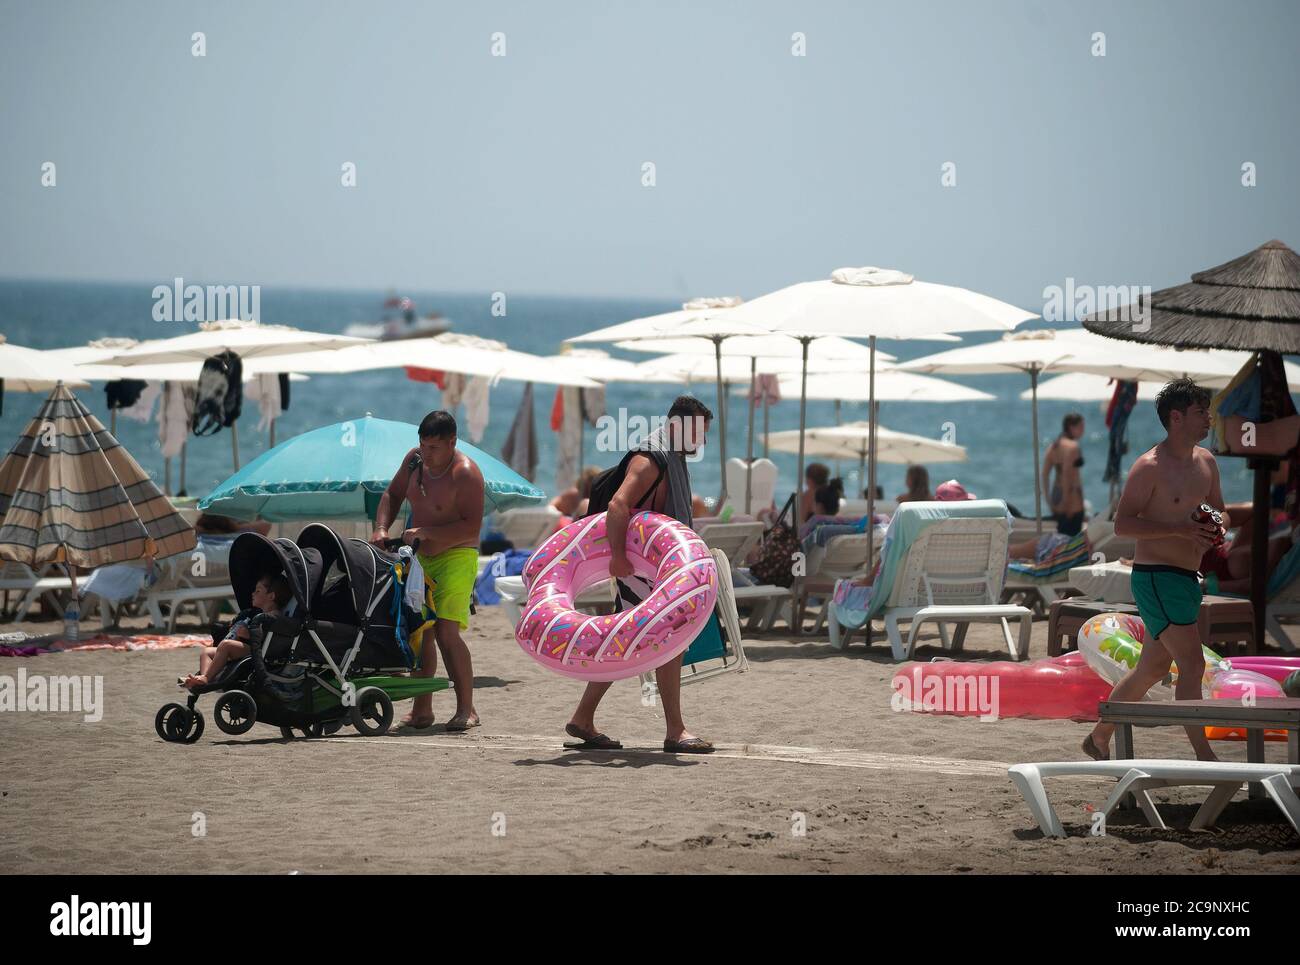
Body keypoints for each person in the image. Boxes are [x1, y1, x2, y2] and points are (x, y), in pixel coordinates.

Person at [1083, 379, 1227, 763]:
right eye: (1201, 412)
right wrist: (1180, 528)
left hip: (1186, 577)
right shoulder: (1149, 466)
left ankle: (1099, 737)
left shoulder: (1206, 461)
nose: (1208, 419)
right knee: (1192, 664)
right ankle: (1203, 755)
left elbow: (1221, 509)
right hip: (1156, 576)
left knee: (1152, 666)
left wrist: (1214, 525)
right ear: (1175, 418)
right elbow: (1123, 524)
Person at [565, 395, 716, 754]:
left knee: (626, 643)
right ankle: (675, 731)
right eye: (700, 432)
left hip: (657, 568)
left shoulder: (672, 455)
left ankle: (583, 718)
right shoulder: (651, 458)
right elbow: (618, 504)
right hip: (641, 569)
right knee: (669, 643)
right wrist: (617, 557)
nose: (704, 441)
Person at [372, 410, 485, 732]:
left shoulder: (466, 473)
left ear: (452, 442)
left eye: (435, 448)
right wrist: (381, 528)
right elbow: (392, 495)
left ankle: (468, 709)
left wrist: (429, 533)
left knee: (447, 633)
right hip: (420, 556)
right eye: (423, 445)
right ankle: (422, 710)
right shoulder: (414, 461)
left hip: (457, 556)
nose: (428, 454)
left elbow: (471, 528)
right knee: (419, 633)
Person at [182, 573, 290, 689]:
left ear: (271, 596)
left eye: (258, 591)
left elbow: (268, 638)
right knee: (206, 652)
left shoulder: (274, 616)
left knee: (226, 645)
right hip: (253, 649)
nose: (253, 593)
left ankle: (207, 678)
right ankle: (204, 678)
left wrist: (247, 634)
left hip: (261, 653)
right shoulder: (261, 615)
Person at [1043, 413, 1086, 536]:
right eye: (1081, 426)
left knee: (1061, 539)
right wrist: (1066, 503)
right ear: (1071, 427)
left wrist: (1048, 500)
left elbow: (1045, 475)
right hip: (1072, 500)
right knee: (1071, 542)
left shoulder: (1053, 447)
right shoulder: (1073, 447)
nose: (1083, 430)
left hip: (1056, 495)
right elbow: (1067, 475)